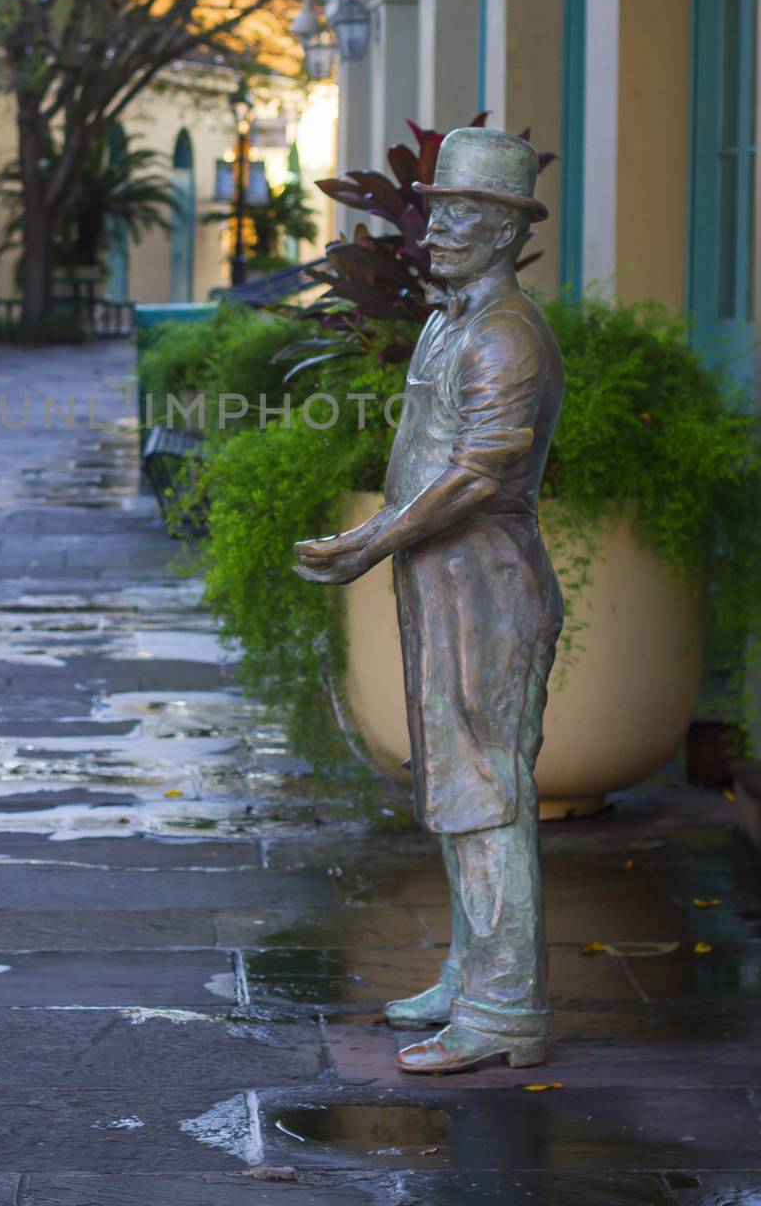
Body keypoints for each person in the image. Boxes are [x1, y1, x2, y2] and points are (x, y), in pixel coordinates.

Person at [294, 127, 564, 1075]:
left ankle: (502, 1012)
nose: (435, 225)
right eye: (437, 207)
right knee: (456, 777)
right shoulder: (454, 319)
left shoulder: (501, 333)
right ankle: (473, 970)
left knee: (485, 787)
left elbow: (478, 475)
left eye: (461, 213)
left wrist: (367, 541)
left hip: (484, 585)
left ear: (502, 231)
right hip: (444, 580)